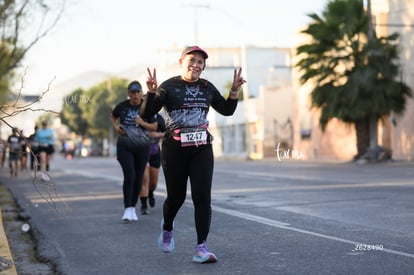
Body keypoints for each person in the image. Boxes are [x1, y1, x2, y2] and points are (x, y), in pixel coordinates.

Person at [141, 45, 246, 263]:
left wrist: (234, 91)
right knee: (176, 198)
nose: (196, 65)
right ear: (181, 62)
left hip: (202, 149)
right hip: (174, 150)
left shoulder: (207, 87)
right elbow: (148, 113)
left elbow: (226, 110)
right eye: (192, 60)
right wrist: (151, 93)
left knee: (202, 198)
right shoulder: (168, 87)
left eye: (200, 62)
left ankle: (201, 248)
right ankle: (167, 227)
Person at [111, 81, 157, 222]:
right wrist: (116, 126)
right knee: (130, 175)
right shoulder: (123, 106)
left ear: (141, 93)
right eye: (132, 92)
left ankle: (132, 207)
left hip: (143, 148)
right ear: (129, 94)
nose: (135, 95)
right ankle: (127, 209)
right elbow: (113, 116)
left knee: (138, 178)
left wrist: (142, 123)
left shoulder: (147, 106)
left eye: (137, 92)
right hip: (125, 147)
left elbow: (154, 126)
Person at [139, 113, 166, 215]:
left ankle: (150, 193)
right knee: (145, 179)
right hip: (141, 151)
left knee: (153, 183)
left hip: (154, 151)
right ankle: (144, 205)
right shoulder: (138, 116)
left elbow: (167, 133)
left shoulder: (158, 118)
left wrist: (158, 135)